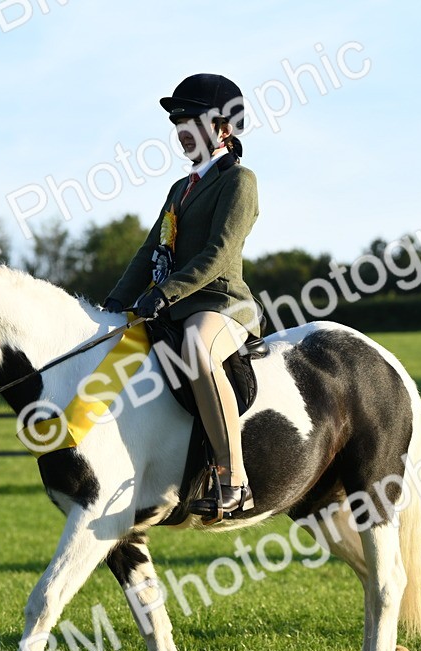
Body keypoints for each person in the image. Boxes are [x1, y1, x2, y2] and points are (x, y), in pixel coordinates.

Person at [103, 73, 260, 519]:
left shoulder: (240, 181)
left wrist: (164, 293)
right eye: (178, 124)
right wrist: (114, 304)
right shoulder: (181, 188)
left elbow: (218, 252)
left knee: (195, 348)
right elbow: (149, 249)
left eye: (191, 121)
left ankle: (235, 479)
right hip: (173, 304)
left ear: (224, 128)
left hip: (221, 304)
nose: (181, 132)